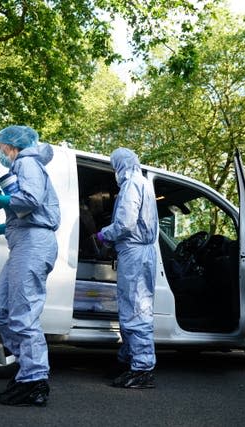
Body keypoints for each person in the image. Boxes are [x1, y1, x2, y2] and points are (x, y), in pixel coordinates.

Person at [0, 125, 60, 405]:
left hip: (33, 245)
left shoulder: (27, 163)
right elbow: (21, 216)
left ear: (10, 146)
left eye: (1, 147)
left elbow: (29, 201)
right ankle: (29, 370)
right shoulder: (22, 168)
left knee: (23, 312)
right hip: (24, 243)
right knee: (1, 308)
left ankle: (35, 381)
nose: (0, 152)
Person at [95, 147, 159, 388]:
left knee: (136, 308)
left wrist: (103, 234)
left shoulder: (132, 184)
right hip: (137, 252)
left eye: (114, 166)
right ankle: (129, 359)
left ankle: (142, 368)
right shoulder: (142, 183)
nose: (115, 171)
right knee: (131, 306)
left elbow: (125, 223)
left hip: (135, 252)